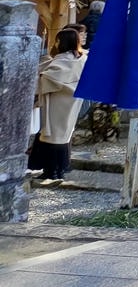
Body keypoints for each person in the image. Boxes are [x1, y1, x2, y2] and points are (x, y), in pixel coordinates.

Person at [28, 28, 86, 183]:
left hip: (58, 102)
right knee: (63, 134)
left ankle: (51, 170)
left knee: (53, 135)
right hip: (71, 101)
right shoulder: (80, 58)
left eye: (58, 40)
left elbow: (51, 77)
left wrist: (37, 76)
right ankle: (59, 169)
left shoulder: (64, 60)